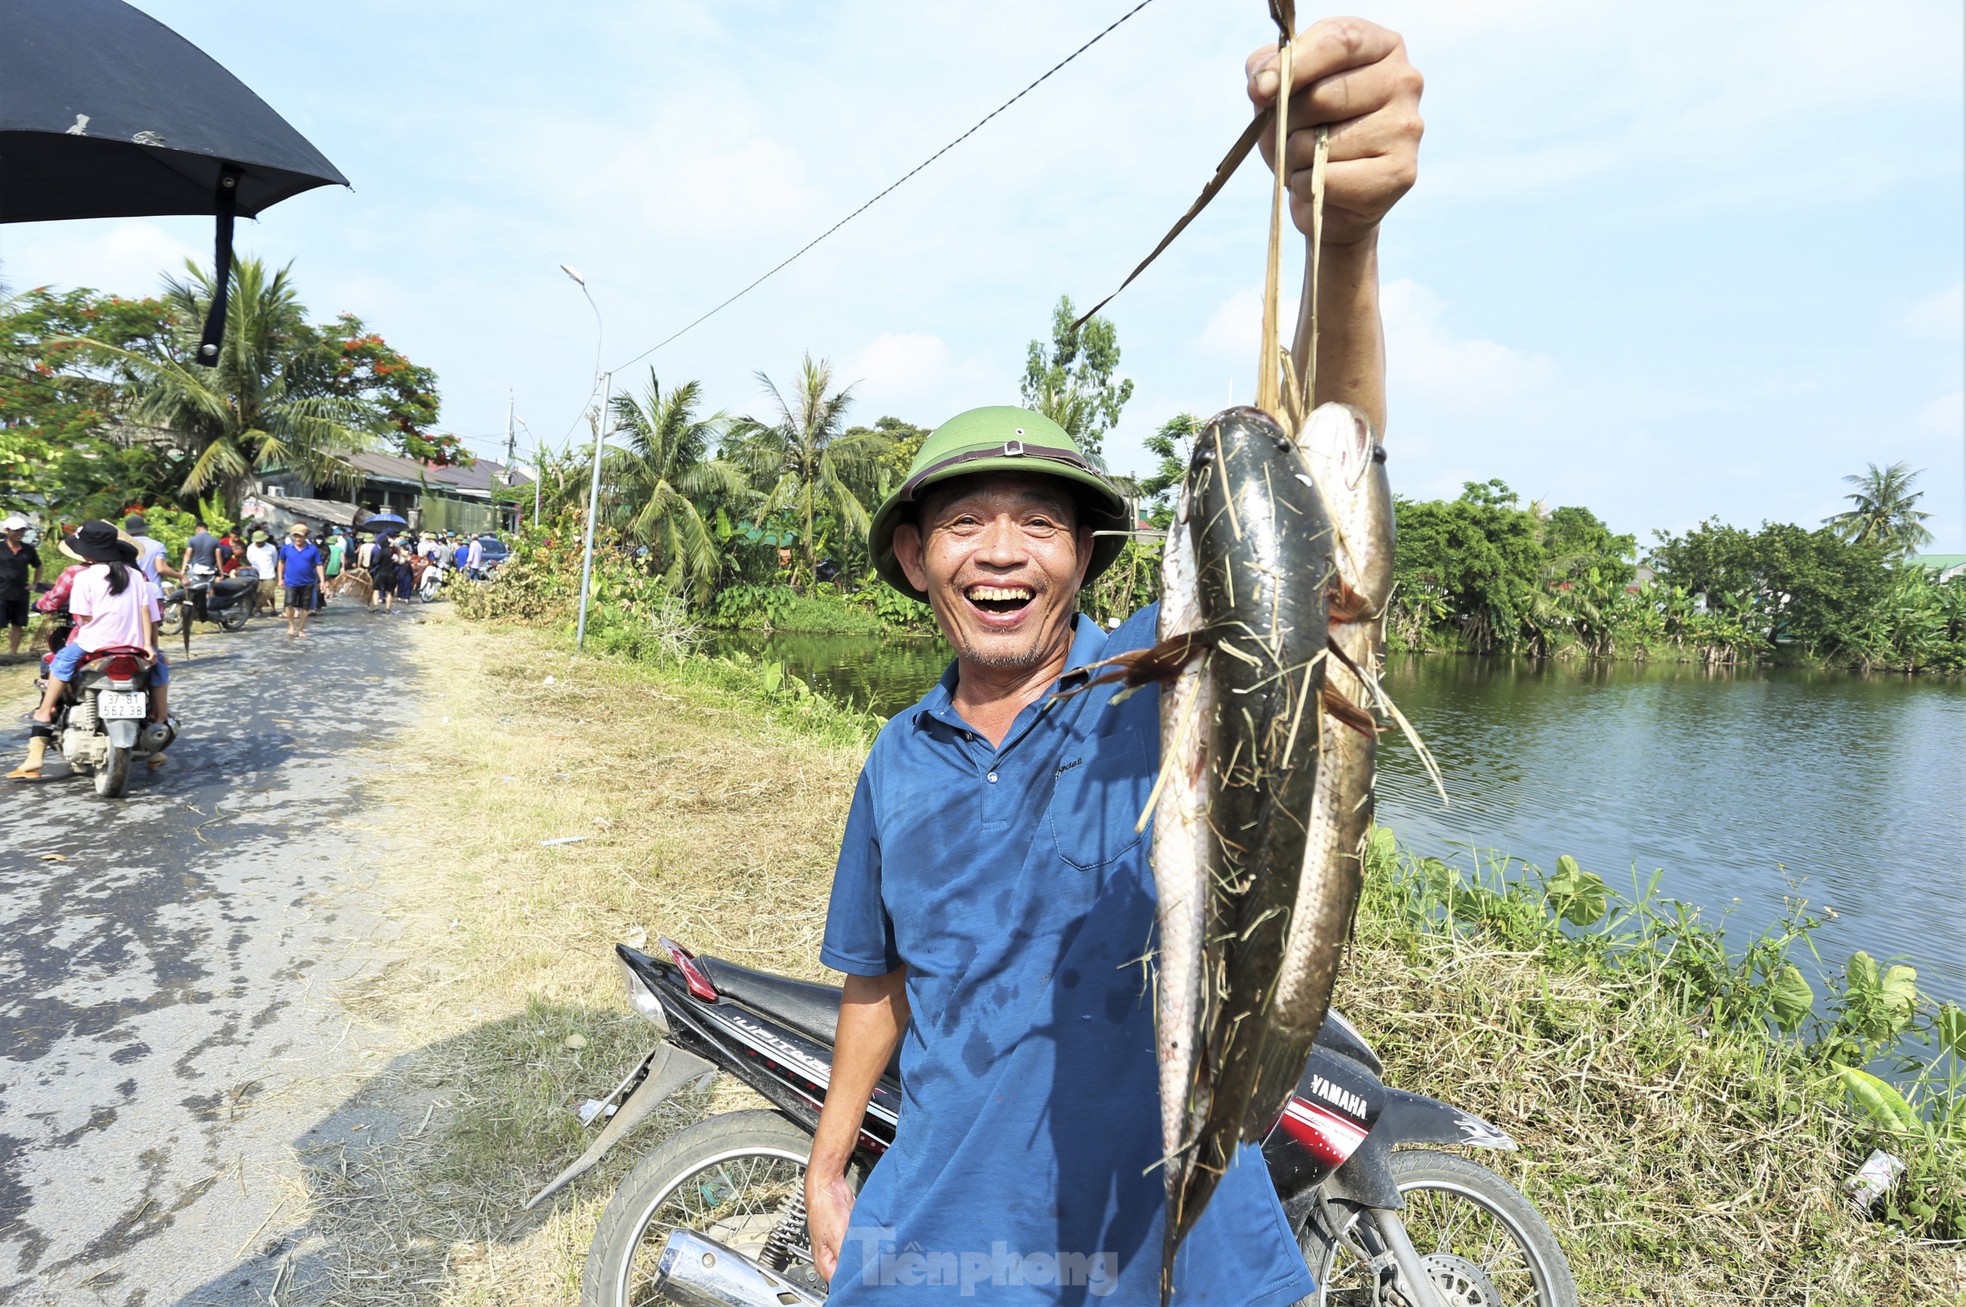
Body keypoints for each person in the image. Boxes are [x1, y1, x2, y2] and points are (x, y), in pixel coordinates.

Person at [803, 22, 1421, 1305]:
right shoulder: (894, 761)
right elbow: (878, 980)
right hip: (942, 1255)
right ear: (915, 558)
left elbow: (1326, 520)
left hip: (1188, 1258)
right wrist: (825, 1158)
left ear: (1086, 561)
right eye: (965, 521)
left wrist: (1344, 241)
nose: (1001, 550)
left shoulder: (1165, 680)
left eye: (1040, 522)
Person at [28, 520, 170, 729]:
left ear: (87, 554)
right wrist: (147, 645)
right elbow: (145, 611)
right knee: (160, 670)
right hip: (135, 645)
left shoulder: (84, 577)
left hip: (94, 644)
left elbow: (82, 617)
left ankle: (45, 710)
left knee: (61, 661)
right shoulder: (136, 576)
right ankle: (161, 716)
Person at [1, 514, 44, 656]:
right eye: (16, 530)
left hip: (21, 593)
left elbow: (38, 566)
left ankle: (13, 653)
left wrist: (34, 584)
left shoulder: (28, 549)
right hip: (1, 593)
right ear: (7, 530)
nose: (20, 533)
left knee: (18, 624)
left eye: (22, 530)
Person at [275, 523, 326, 638]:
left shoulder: (312, 549)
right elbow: (281, 563)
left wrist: (322, 581)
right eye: (295, 536)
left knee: (305, 607)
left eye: (300, 536)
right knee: (289, 604)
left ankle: (301, 629)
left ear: (306, 536)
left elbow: (319, 564)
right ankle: (291, 626)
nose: (298, 539)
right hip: (291, 581)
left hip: (308, 582)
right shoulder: (286, 548)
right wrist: (280, 579)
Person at [122, 513, 179, 598]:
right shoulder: (157, 546)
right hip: (153, 593)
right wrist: (180, 576)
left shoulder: (122, 547)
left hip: (131, 594)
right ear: (144, 529)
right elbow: (161, 568)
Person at [245, 530, 279, 614]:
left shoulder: (271, 548)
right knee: (258, 592)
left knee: (269, 592)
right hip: (256, 574)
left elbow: (274, 560)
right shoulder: (251, 548)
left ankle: (271, 608)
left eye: (261, 541)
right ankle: (258, 609)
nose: (259, 543)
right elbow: (250, 559)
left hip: (269, 573)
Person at [367, 532, 400, 612]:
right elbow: (398, 562)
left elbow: (375, 562)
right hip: (392, 574)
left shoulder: (381, 552)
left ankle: (375, 605)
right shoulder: (394, 552)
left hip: (381, 573)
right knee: (389, 592)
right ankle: (387, 609)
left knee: (376, 589)